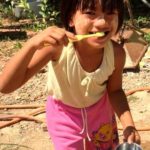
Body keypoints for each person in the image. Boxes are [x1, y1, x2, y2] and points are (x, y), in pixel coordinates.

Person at [0, 0, 141, 149]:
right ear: (70, 19)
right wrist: (32, 44)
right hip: (64, 119)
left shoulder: (117, 54)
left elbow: (115, 91)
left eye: (110, 13)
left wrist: (128, 125)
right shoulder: (57, 49)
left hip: (101, 116)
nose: (101, 22)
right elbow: (5, 86)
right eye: (90, 13)